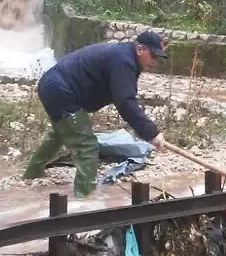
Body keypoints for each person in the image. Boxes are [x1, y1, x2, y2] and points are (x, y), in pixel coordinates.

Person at [23, 29, 168, 193]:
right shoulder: (124, 60)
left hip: (55, 86)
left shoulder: (125, 56)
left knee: (61, 133)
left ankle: (31, 175)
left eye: (158, 58)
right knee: (87, 146)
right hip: (60, 90)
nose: (155, 62)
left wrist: (148, 131)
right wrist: (151, 133)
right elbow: (125, 102)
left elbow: (124, 96)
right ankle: (84, 200)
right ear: (140, 49)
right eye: (153, 56)